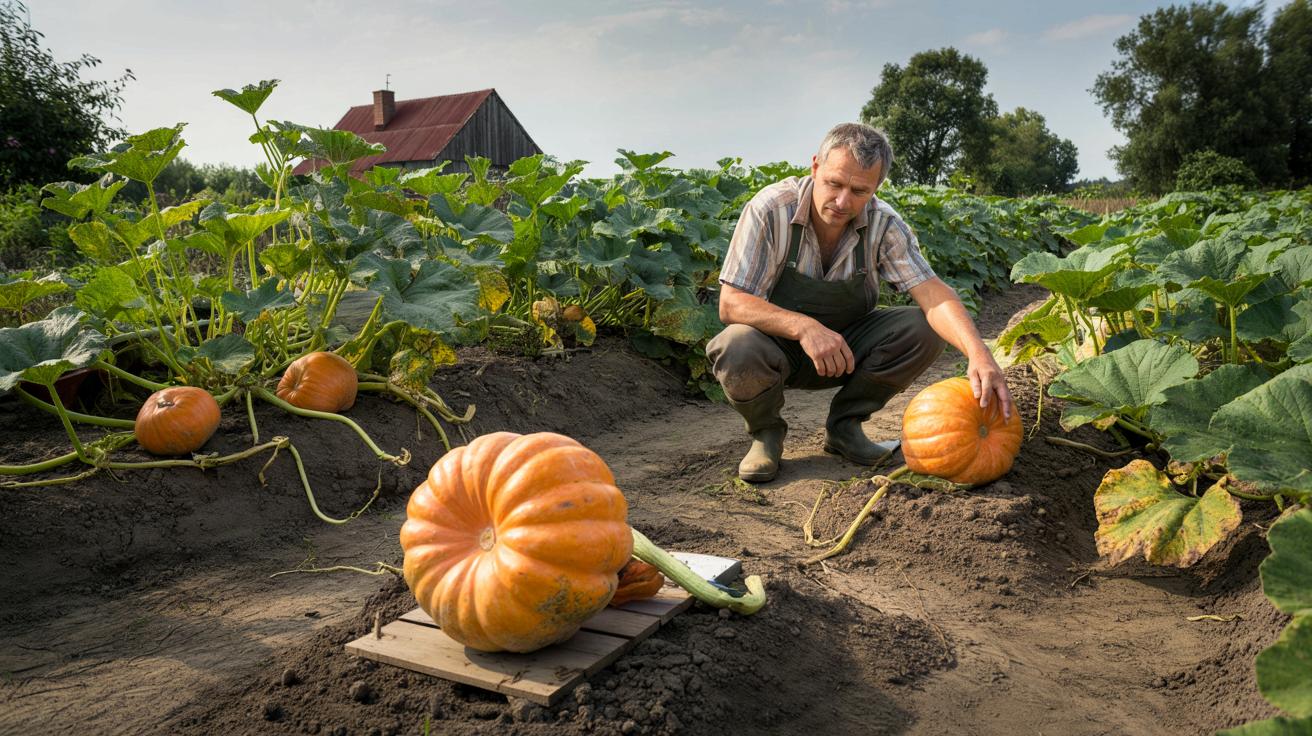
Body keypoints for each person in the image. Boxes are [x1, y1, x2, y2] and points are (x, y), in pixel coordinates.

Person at [708, 122, 1013, 483]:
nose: (842, 202)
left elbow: (933, 294)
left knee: (923, 328)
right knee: (736, 344)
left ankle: (845, 426)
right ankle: (766, 433)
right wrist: (804, 327)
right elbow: (731, 303)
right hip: (776, 348)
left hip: (849, 350)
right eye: (834, 184)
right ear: (815, 167)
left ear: (876, 187)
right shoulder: (771, 209)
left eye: (858, 191)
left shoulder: (884, 224)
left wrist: (979, 353)